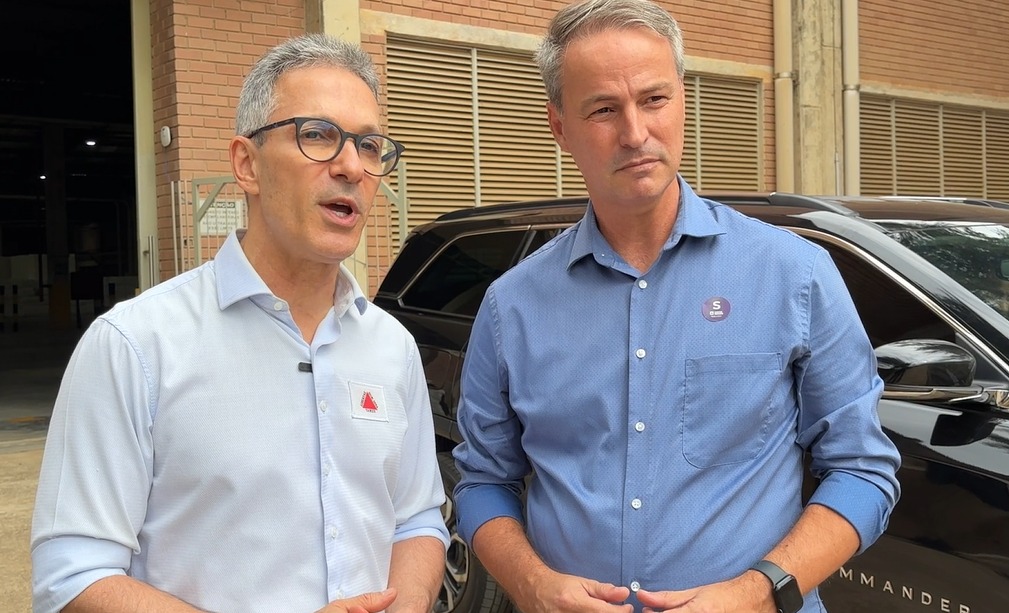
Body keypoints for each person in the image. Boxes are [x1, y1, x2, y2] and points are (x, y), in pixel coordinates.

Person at [452, 1, 901, 612]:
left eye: (654, 99)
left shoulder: (794, 274)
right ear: (559, 126)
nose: (635, 133)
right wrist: (531, 584)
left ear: (683, 99)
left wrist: (758, 594)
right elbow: (483, 481)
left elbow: (863, 470)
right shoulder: (512, 307)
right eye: (604, 109)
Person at [31, 34, 448, 613]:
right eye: (318, 135)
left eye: (370, 145)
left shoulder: (392, 347)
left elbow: (418, 517)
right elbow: (71, 577)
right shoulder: (135, 345)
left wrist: (411, 599)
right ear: (246, 164)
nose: (352, 166)